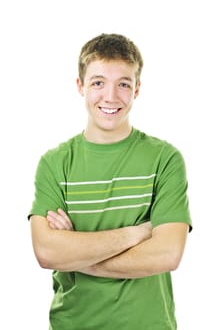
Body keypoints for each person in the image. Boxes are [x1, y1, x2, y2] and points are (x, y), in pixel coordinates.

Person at [29, 33, 192, 330]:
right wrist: (137, 234)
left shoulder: (165, 159)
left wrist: (77, 256)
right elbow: (47, 252)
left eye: (124, 84)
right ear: (81, 86)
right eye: (98, 82)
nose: (111, 97)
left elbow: (167, 254)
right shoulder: (55, 163)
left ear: (137, 89)